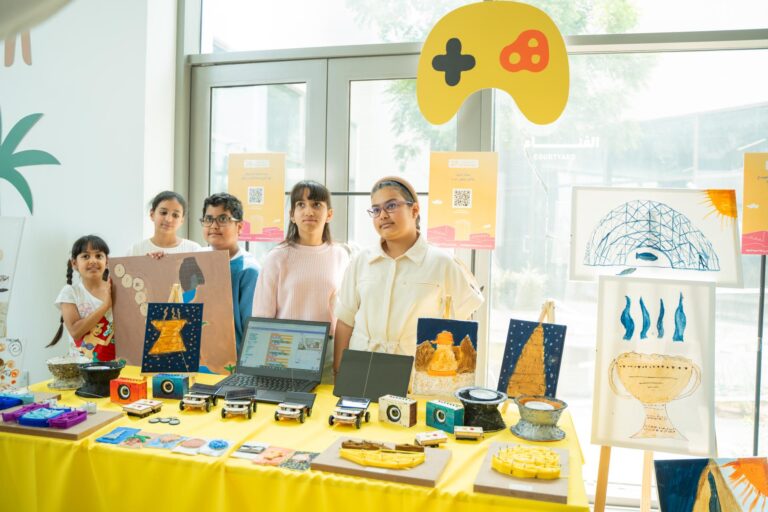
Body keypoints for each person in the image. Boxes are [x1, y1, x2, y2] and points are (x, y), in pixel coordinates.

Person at [333, 176, 484, 375]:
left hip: (415, 375)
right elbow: (345, 321)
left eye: (391, 206)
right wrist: (339, 372)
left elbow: (463, 326)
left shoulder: (442, 263)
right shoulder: (361, 261)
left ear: (414, 210)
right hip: (361, 371)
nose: (383, 215)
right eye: (376, 210)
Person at [253, 181, 350, 380]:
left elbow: (344, 313)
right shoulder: (277, 257)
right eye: (301, 205)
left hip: (326, 351)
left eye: (316, 204)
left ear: (329, 214)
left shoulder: (340, 255)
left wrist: (340, 363)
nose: (309, 211)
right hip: (283, 351)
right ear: (292, 215)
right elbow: (262, 316)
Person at [201, 192, 259, 353]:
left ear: (239, 227)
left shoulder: (248, 270)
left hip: (231, 360)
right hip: (195, 358)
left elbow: (251, 330)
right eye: (208, 219)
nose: (214, 226)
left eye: (223, 219)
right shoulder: (196, 260)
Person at [48, 235, 115, 362]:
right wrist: (106, 305)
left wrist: (153, 261)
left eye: (98, 256)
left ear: (107, 261)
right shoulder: (70, 292)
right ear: (74, 263)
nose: (93, 261)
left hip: (115, 366)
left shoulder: (117, 289)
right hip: (81, 369)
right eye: (85, 256)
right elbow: (75, 331)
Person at [129, 191, 201, 256]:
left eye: (175, 215)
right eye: (163, 213)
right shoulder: (135, 251)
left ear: (182, 220)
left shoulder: (194, 250)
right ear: (152, 214)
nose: (168, 219)